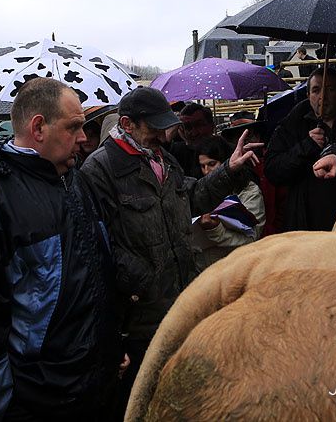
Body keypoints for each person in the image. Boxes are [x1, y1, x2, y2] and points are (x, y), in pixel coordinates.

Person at [0, 78, 123, 421]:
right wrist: (3, 407)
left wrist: (109, 347)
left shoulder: (75, 181)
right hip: (36, 406)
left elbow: (95, 276)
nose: (83, 137)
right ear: (38, 128)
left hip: (93, 392)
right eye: (74, 126)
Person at [80, 86, 261, 418]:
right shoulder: (98, 170)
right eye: (154, 127)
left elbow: (193, 196)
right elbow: (98, 247)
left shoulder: (165, 159)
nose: (164, 135)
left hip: (179, 301)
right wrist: (146, 281)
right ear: (127, 124)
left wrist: (230, 171)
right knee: (141, 404)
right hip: (136, 319)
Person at [264, 67, 336, 231]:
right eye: (316, 90)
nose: (323, 96)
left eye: (330, 89)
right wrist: (306, 146)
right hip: (304, 221)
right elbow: (273, 170)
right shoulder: (293, 122)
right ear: (308, 95)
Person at [193, 136, 265, 269]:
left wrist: (215, 229)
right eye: (202, 166)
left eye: (212, 164)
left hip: (236, 268)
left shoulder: (248, 191)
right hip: (204, 270)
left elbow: (251, 238)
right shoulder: (198, 192)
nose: (207, 171)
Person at [220, 114, 286, 237]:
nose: (244, 140)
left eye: (249, 135)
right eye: (238, 136)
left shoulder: (272, 164)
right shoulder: (226, 169)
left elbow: (282, 207)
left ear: (258, 136)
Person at [168, 102, 215, 178]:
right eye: (187, 127)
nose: (194, 133)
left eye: (199, 125)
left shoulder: (226, 150)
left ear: (212, 126)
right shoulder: (175, 153)